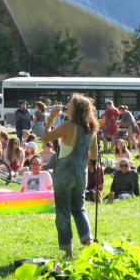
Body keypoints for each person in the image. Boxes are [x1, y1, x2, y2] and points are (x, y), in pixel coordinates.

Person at [41, 93, 98, 258]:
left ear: (76, 109)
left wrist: (50, 119)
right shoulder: (91, 127)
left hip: (65, 174)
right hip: (81, 173)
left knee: (63, 211)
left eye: (70, 103)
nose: (67, 105)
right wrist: (90, 163)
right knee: (79, 208)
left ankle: (68, 251)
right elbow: (93, 153)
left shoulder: (68, 126)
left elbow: (45, 137)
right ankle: (88, 242)